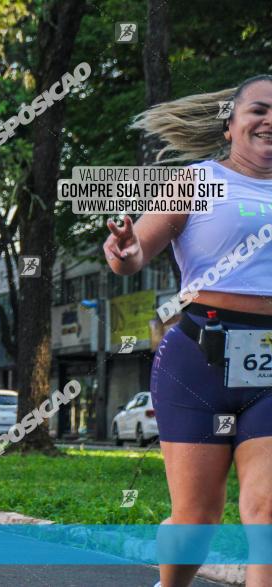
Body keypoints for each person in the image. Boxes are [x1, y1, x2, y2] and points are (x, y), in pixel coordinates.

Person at [109, 75, 272, 587]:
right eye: (259, 111)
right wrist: (124, 248)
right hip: (198, 360)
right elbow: (136, 255)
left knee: (266, 513)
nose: (270, 123)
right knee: (197, 522)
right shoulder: (198, 182)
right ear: (230, 125)